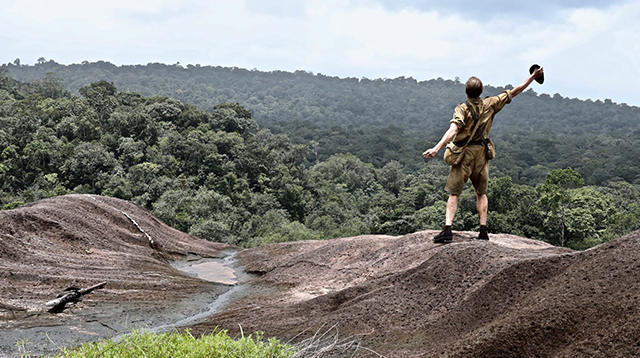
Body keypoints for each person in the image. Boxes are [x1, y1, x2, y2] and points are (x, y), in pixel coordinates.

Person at [422, 67, 544, 243]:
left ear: (466, 92)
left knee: (454, 193)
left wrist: (436, 148)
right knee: (481, 193)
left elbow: (454, 129)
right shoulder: (490, 103)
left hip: (463, 153)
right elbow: (515, 91)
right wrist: (532, 77)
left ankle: (447, 229)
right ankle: (483, 230)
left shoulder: (461, 108)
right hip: (482, 153)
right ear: (481, 91)